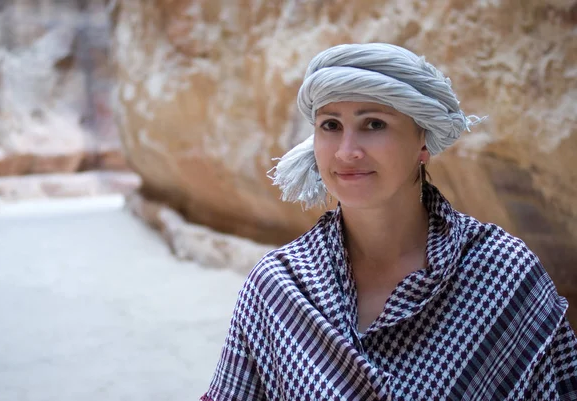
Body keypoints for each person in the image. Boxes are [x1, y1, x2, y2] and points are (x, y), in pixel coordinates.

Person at [201, 43, 577, 400]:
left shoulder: (501, 273)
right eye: (330, 125)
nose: (347, 152)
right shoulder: (278, 288)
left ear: (423, 141)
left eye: (374, 124)